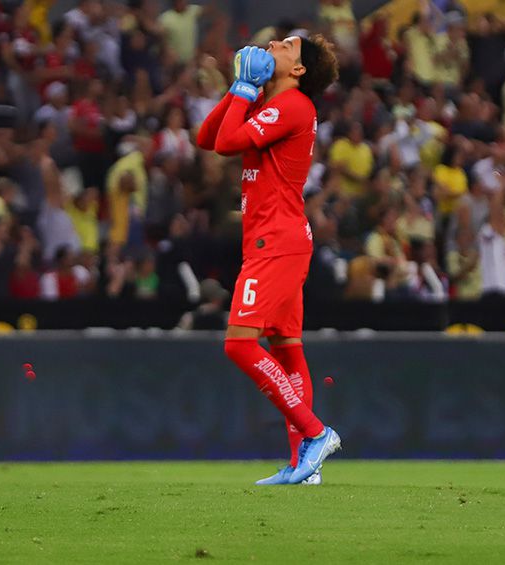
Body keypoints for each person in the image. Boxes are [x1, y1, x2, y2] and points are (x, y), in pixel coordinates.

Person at [197, 34, 341, 485]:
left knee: (239, 344)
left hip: (276, 241)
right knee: (287, 348)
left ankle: (316, 435)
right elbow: (207, 136)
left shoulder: (294, 106)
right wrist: (240, 89)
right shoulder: (270, 104)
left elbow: (226, 145)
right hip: (278, 238)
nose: (275, 43)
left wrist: (243, 92)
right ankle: (305, 464)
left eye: (287, 46)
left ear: (298, 71)